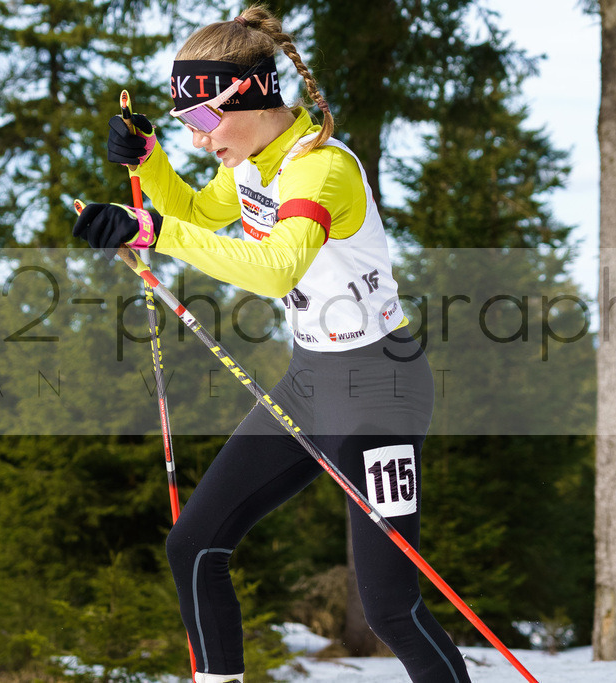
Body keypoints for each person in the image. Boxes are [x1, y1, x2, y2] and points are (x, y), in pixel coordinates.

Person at [72, 5, 471, 682]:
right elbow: (199, 212)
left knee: (390, 608)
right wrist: (150, 160)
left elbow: (276, 266)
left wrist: (149, 231)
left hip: (380, 390)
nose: (198, 139)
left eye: (201, 121)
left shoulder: (320, 170)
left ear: (251, 95)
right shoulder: (252, 160)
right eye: (183, 126)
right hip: (312, 380)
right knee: (194, 543)